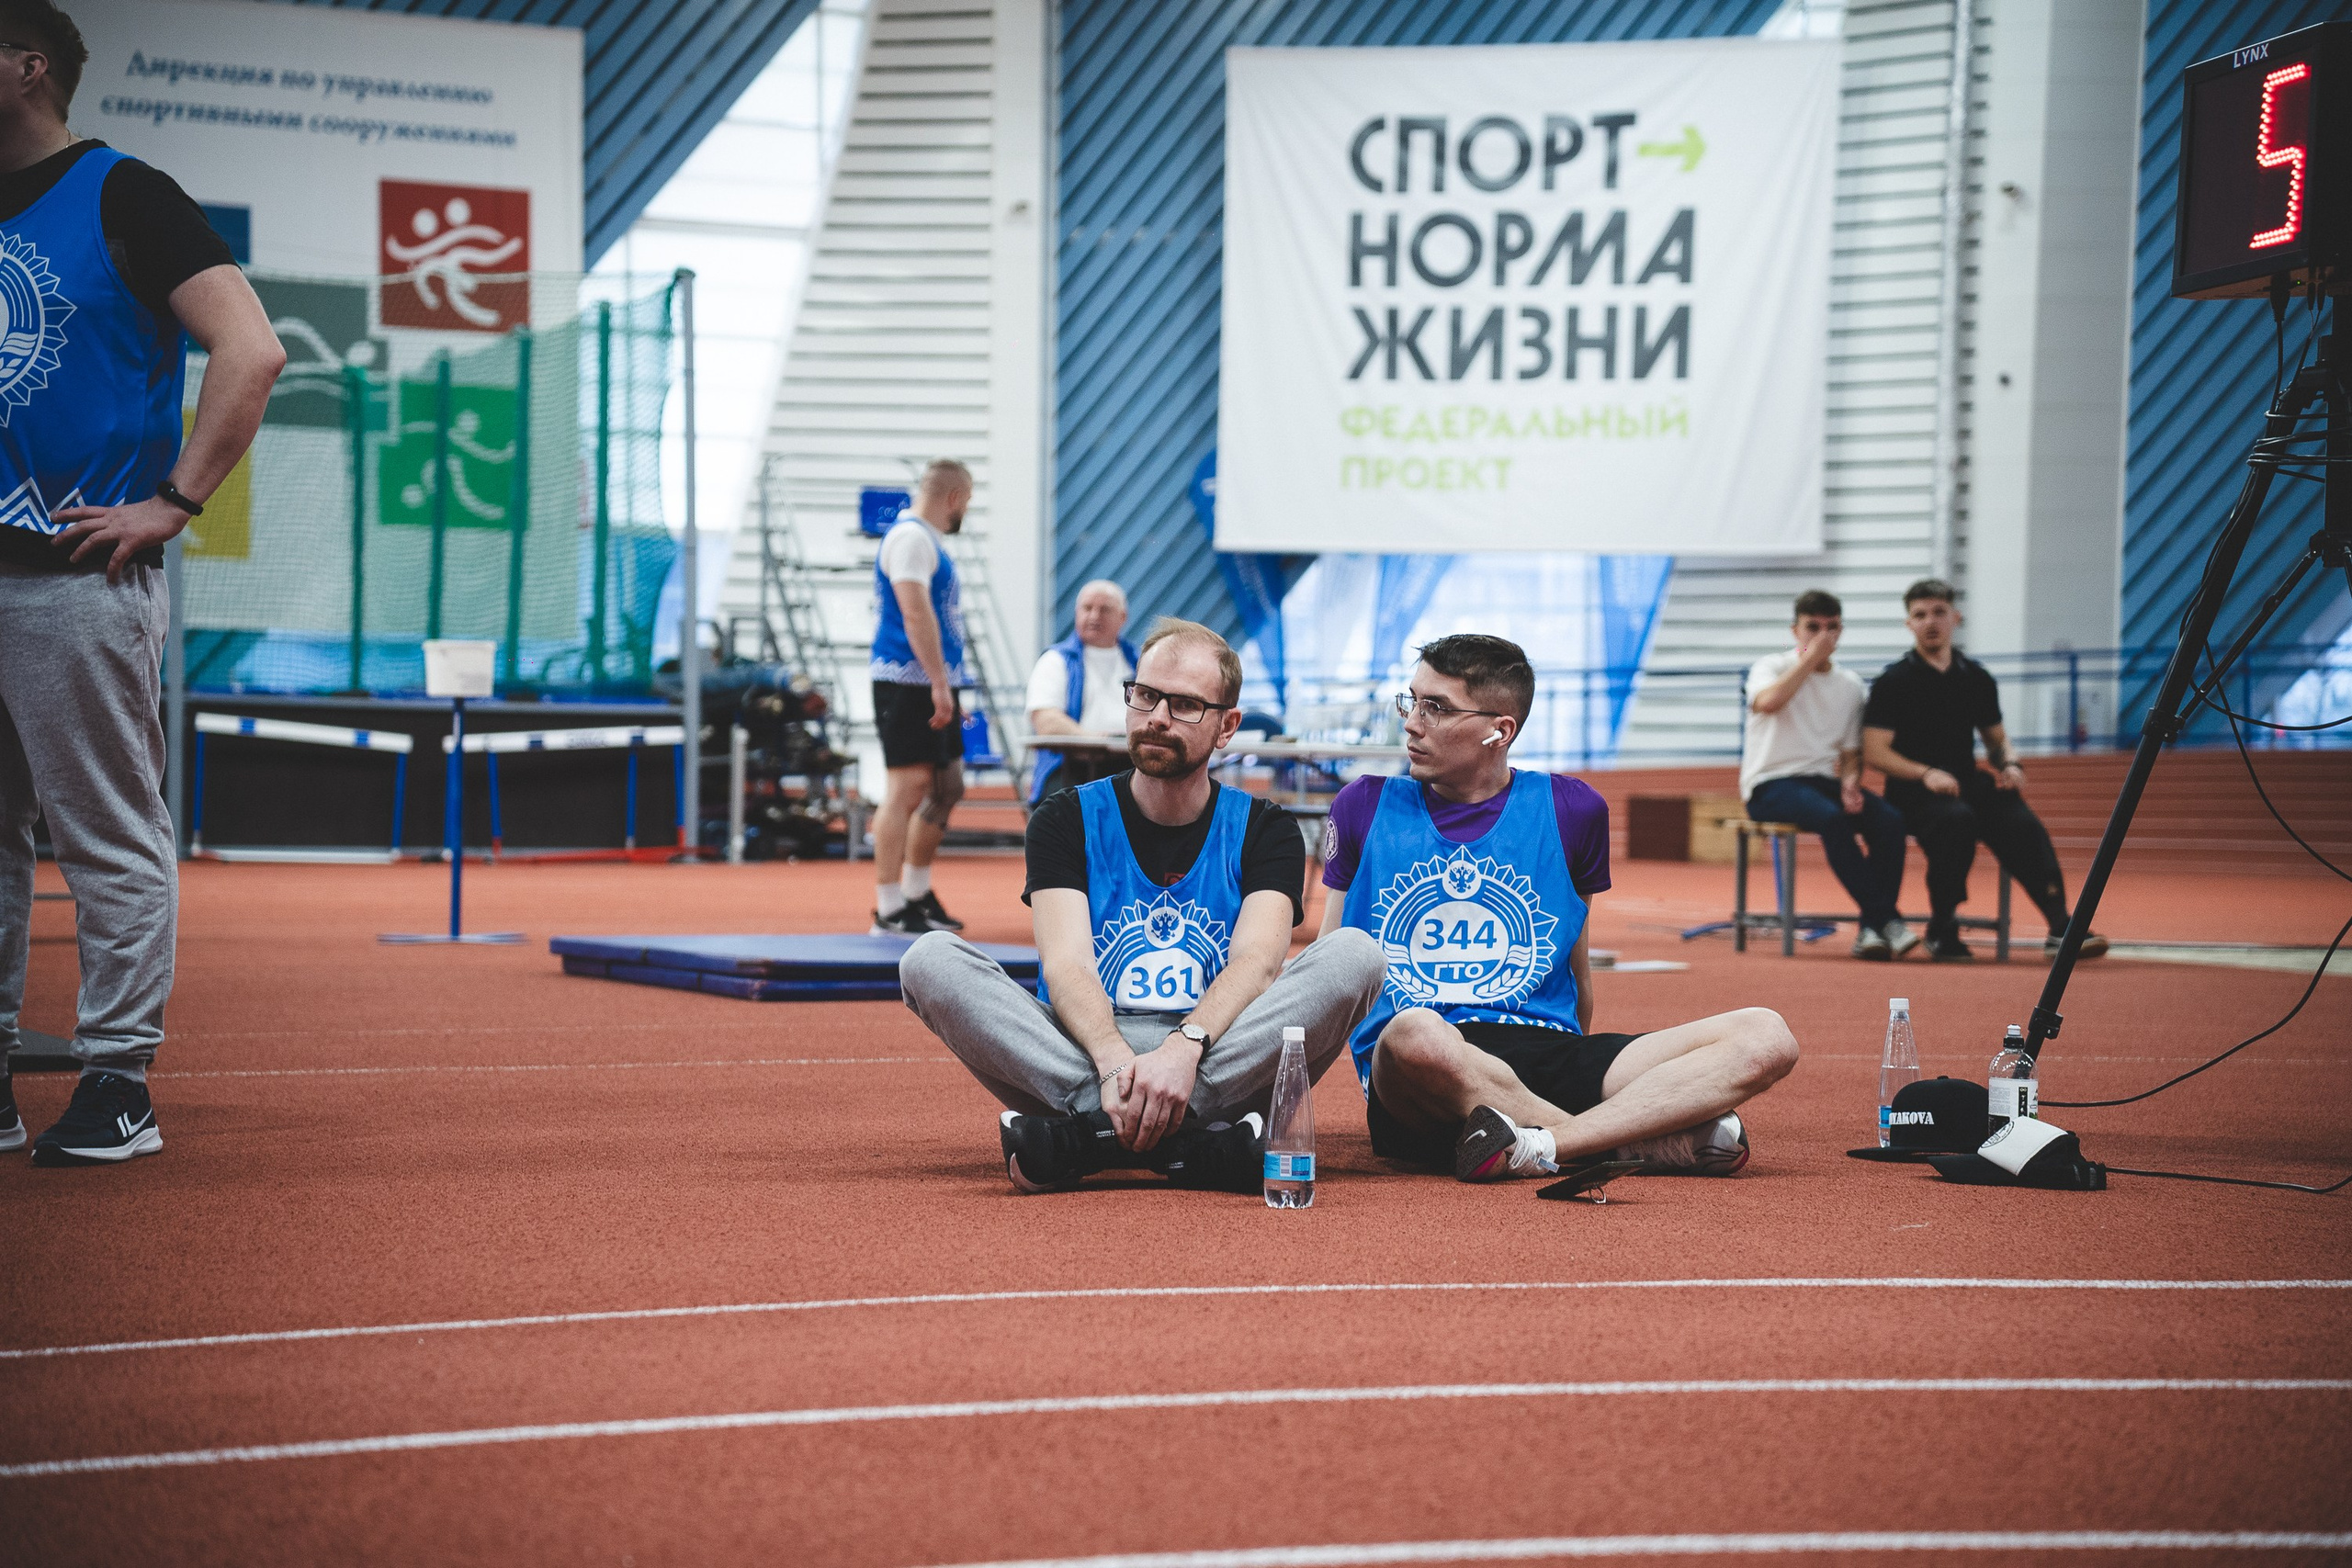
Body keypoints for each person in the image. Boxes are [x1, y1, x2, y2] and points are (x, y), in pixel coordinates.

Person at [0, 0, 286, 1167]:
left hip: (73, 576)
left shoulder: (124, 193)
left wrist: (175, 499)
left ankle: (118, 1083)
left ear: (26, 68)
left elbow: (252, 348)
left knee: (108, 835)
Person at [900, 618, 1385, 1193]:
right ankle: (1190, 1148)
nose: (1156, 717)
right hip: (1085, 1048)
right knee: (929, 959)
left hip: (1218, 1049)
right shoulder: (1064, 818)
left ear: (1227, 726)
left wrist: (1183, 1050)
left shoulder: (1265, 829)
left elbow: (1255, 964)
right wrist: (1111, 1061)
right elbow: (1067, 966)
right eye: (1146, 696)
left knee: (1355, 953)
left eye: (1184, 705)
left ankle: (1091, 1139)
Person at [1316, 634, 1799, 1183]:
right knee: (1413, 1032)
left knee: (1766, 1034)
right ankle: (1627, 1138)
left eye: (1437, 708)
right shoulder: (1365, 803)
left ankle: (1548, 1142)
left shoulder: (1572, 809)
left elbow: (1576, 963)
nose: (1412, 722)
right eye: (1412, 700)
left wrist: (1580, 1058)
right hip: (1421, 1071)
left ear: (1500, 731)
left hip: (1546, 1052)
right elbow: (1330, 968)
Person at [1861, 579, 2106, 963]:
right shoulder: (1893, 682)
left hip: (1966, 781)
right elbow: (1875, 752)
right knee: (1955, 822)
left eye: (1939, 612)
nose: (1931, 622)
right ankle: (1943, 928)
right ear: (1908, 623)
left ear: (1955, 617)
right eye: (1920, 615)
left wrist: (2009, 763)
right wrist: (1925, 773)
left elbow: (1996, 741)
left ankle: (2061, 926)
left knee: (2019, 820)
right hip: (1913, 791)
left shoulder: (1976, 677)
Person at [1741, 590, 1916, 960]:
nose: (1823, 635)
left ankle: (1871, 927)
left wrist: (1851, 781)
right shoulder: (1770, 666)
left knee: (1889, 820)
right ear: (1795, 630)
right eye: (1813, 627)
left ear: (1842, 631)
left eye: (1831, 628)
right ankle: (1888, 920)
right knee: (1831, 819)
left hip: (1822, 780)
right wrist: (1810, 660)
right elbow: (1768, 702)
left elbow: (1851, 753)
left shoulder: (1850, 685)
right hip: (1770, 782)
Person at [868, 459, 974, 937]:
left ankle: (916, 890)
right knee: (906, 790)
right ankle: (889, 906)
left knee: (948, 786)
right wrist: (937, 683)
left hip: (932, 681)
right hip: (906, 681)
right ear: (954, 498)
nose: (964, 512)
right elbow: (915, 613)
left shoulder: (929, 542)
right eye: (966, 503)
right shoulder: (911, 539)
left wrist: (947, 682)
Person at [1022, 578, 1136, 806]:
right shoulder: (1055, 661)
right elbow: (1046, 721)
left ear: (1122, 618)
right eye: (1087, 608)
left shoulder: (1139, 661)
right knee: (1065, 808)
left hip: (1131, 765)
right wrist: (1095, 741)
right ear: (1077, 613)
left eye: (1104, 610)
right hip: (1068, 766)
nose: (1094, 616)